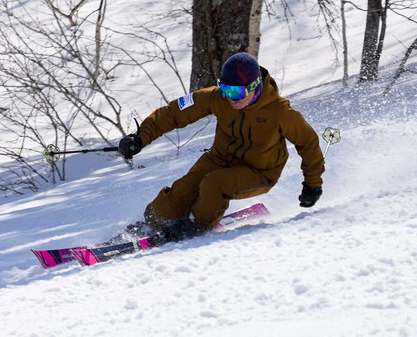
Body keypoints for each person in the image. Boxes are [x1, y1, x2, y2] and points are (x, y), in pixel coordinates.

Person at [117, 52, 325, 243]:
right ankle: (150, 225)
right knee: (180, 193)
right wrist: (140, 138)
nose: (230, 97)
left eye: (236, 92)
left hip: (259, 171)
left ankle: (195, 226)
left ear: (254, 86)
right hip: (218, 159)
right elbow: (173, 114)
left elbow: (308, 144)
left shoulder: (281, 113)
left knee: (214, 184)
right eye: (225, 89)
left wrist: (312, 185)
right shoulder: (218, 98)